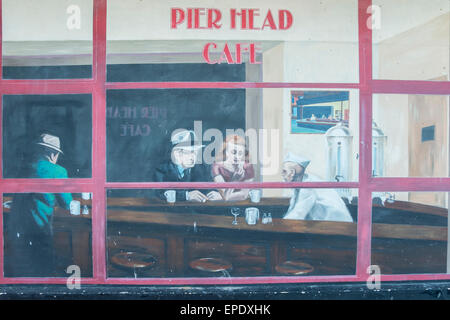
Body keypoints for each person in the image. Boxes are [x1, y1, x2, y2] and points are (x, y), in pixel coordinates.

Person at [5, 133, 73, 277]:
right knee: (43, 265)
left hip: (16, 226)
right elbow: (67, 203)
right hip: (40, 226)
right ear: (53, 153)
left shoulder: (25, 168)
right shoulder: (58, 171)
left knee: (23, 267)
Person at [281, 152, 353, 222]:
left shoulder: (307, 186)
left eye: (284, 171)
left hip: (338, 226)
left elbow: (298, 214)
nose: (282, 175)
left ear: (292, 173)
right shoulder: (301, 185)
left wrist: (281, 224)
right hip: (329, 225)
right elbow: (293, 212)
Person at [154, 130, 222, 202]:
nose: (193, 157)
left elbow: (210, 187)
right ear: (177, 154)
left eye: (195, 152)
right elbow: (160, 194)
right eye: (189, 152)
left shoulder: (201, 168)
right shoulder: (162, 170)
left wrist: (219, 194)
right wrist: (187, 195)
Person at [211, 134, 255, 201]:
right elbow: (225, 195)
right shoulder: (217, 166)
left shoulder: (248, 167)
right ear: (226, 152)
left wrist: (220, 197)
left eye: (240, 153)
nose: (236, 157)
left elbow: (244, 195)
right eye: (233, 152)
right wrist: (234, 179)